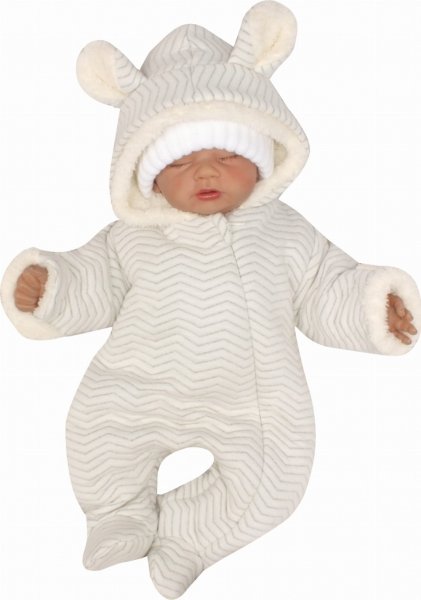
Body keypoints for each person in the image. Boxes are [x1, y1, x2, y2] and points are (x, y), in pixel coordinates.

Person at [1, 3, 421, 599]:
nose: (205, 172)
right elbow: (92, 281)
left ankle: (188, 540)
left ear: (263, 155)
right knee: (99, 435)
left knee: (273, 483)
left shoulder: (285, 233)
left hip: (255, 399)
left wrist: (374, 307)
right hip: (138, 382)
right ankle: (118, 515)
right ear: (144, 174)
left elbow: (326, 286)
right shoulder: (131, 238)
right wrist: (51, 287)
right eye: (178, 160)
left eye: (227, 154)